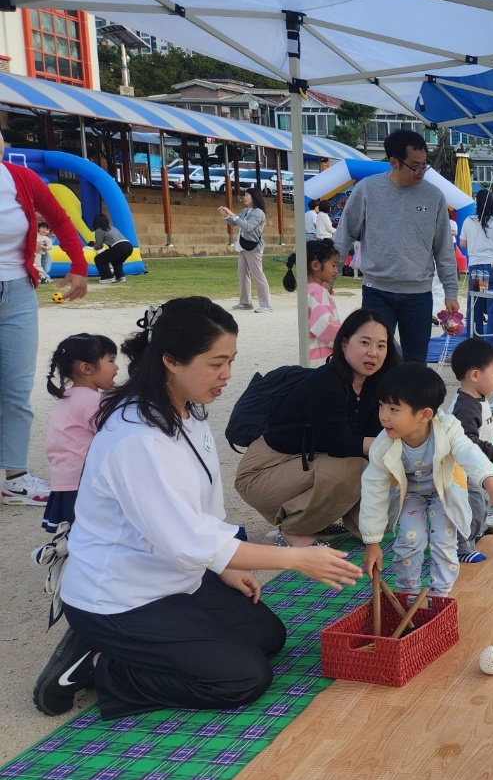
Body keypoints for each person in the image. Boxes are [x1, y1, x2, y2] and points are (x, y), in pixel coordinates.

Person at [32, 297, 362, 718]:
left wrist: (224, 566)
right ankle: (99, 665)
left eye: (231, 361)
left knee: (266, 636)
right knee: (242, 678)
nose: (227, 374)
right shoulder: (137, 439)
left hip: (169, 577)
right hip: (119, 598)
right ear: (171, 360)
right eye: (216, 363)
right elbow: (188, 539)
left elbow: (202, 516)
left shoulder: (186, 412)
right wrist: (297, 559)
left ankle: (127, 649)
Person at [235, 309, 399, 546]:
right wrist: (392, 444)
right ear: (344, 344)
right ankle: (294, 531)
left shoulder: (373, 386)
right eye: (365, 342)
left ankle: (340, 524)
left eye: (381, 346)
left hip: (305, 464)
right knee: (355, 467)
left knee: (377, 465)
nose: (373, 352)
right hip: (264, 470)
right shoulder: (326, 381)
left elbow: (373, 436)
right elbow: (339, 443)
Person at [361, 363, 493, 596]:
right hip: (409, 495)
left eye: (393, 409)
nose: (383, 416)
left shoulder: (448, 429)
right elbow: (373, 489)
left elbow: (470, 453)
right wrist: (372, 541)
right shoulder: (383, 445)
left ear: (425, 414)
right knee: (409, 541)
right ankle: (408, 594)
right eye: (381, 405)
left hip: (443, 491)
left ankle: (440, 595)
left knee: (444, 543)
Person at [1, 131, 89, 507]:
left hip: (17, 293)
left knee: (16, 390)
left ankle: (14, 478)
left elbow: (59, 218)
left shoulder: (20, 178)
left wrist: (79, 264)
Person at [333, 129, 456, 363]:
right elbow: (345, 233)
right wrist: (331, 275)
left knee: (415, 363)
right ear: (394, 162)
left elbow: (443, 248)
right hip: (376, 291)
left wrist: (450, 292)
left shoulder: (434, 196)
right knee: (373, 361)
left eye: (424, 165)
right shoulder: (367, 189)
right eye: (415, 166)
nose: (421, 171)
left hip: (418, 294)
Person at [42, 333, 118, 532]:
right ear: (86, 368)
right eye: (111, 361)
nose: (117, 368)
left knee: (73, 532)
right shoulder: (93, 402)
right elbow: (115, 434)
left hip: (65, 479)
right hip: (83, 480)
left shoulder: (69, 397)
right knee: (92, 532)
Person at [449, 337, 493, 563]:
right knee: (472, 507)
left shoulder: (477, 399)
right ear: (475, 375)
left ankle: (476, 532)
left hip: (477, 469)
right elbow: (466, 441)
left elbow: (478, 426)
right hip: (464, 472)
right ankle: (462, 547)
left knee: (484, 501)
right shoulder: (464, 407)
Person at [284, 238, 341, 362]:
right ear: (315, 265)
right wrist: (344, 343)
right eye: (333, 265)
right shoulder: (317, 292)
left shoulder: (309, 290)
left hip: (313, 357)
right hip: (322, 359)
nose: (336, 270)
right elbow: (324, 325)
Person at [460, 188, 493, 341]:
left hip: (476, 267)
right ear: (492, 203)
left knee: (475, 304)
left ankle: (474, 341)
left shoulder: (468, 221)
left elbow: (463, 243)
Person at [220, 189, 271, 312]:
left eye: (247, 195)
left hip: (253, 248)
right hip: (243, 246)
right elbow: (235, 223)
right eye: (245, 195)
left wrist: (233, 215)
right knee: (242, 274)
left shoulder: (258, 213)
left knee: (258, 275)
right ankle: (245, 302)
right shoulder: (245, 211)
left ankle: (266, 304)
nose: (244, 197)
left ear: (254, 197)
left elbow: (247, 227)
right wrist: (226, 216)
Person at [92, 212, 134, 284]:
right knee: (117, 261)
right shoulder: (113, 228)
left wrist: (93, 246)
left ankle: (107, 278)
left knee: (99, 259)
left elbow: (99, 246)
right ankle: (121, 277)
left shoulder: (99, 230)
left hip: (119, 247)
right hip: (128, 246)